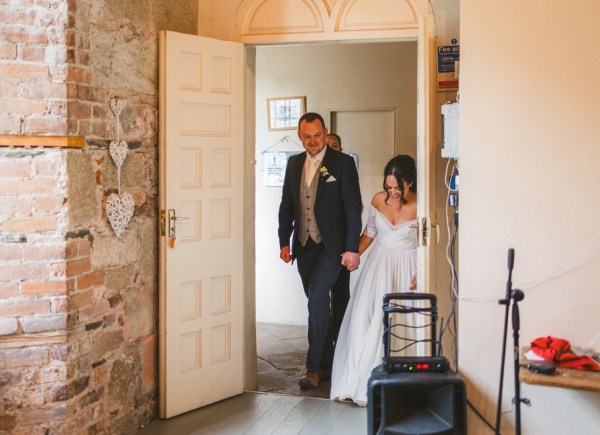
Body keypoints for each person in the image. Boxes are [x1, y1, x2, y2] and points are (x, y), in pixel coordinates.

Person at [278, 112, 363, 389]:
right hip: (303, 247)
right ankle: (328, 363)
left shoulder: (343, 163)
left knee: (316, 300)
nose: (312, 141)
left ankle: (312, 368)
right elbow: (287, 205)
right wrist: (283, 240)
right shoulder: (293, 164)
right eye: (306, 136)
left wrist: (352, 249)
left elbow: (353, 208)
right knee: (319, 308)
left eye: (317, 135)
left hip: (331, 248)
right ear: (299, 136)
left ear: (325, 133)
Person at [330, 154, 418, 406]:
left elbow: (426, 243)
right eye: (389, 187)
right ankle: (360, 380)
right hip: (378, 266)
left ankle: (399, 384)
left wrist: (420, 273)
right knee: (365, 318)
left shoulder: (420, 205)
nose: (393, 192)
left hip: (406, 267)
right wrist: (354, 252)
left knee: (402, 322)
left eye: (398, 188)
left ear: (409, 182)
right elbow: (369, 233)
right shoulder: (379, 200)